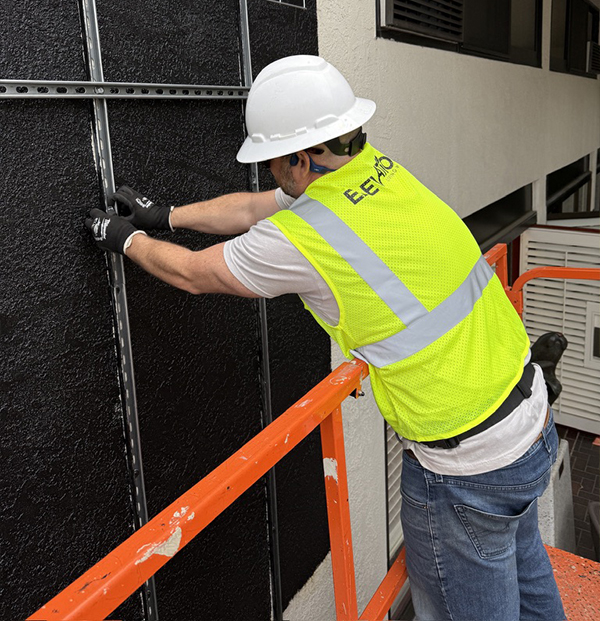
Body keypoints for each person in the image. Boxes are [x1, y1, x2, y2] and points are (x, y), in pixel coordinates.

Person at [86, 55, 565, 621]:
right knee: (533, 592)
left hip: (468, 473)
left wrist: (121, 239)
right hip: (529, 420)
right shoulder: (379, 171)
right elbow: (249, 209)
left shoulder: (303, 238)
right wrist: (163, 216)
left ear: (299, 158)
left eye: (269, 161)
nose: (268, 173)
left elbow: (194, 274)